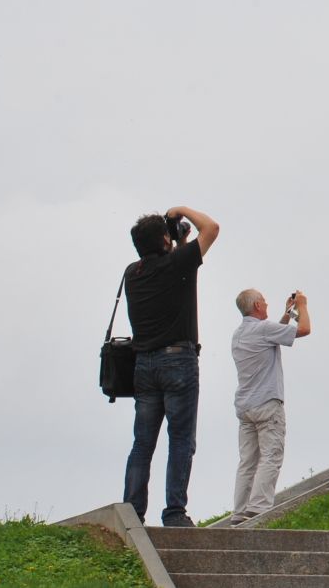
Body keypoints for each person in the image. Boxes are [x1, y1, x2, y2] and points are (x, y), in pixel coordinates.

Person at [122, 204, 220, 527]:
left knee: (143, 442)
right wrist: (181, 210)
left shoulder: (132, 275)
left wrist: (175, 241)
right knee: (181, 439)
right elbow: (212, 228)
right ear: (165, 239)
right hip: (178, 360)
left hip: (144, 367)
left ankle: (133, 511)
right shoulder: (178, 263)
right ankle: (175, 512)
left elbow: (174, 269)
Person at [229, 287, 311, 524]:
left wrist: (286, 314)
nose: (266, 304)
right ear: (256, 306)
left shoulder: (239, 334)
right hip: (267, 403)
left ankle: (239, 512)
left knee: (247, 461)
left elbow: (271, 335)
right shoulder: (264, 330)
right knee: (271, 456)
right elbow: (304, 329)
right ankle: (258, 509)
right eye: (264, 301)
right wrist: (302, 306)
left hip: (245, 407)